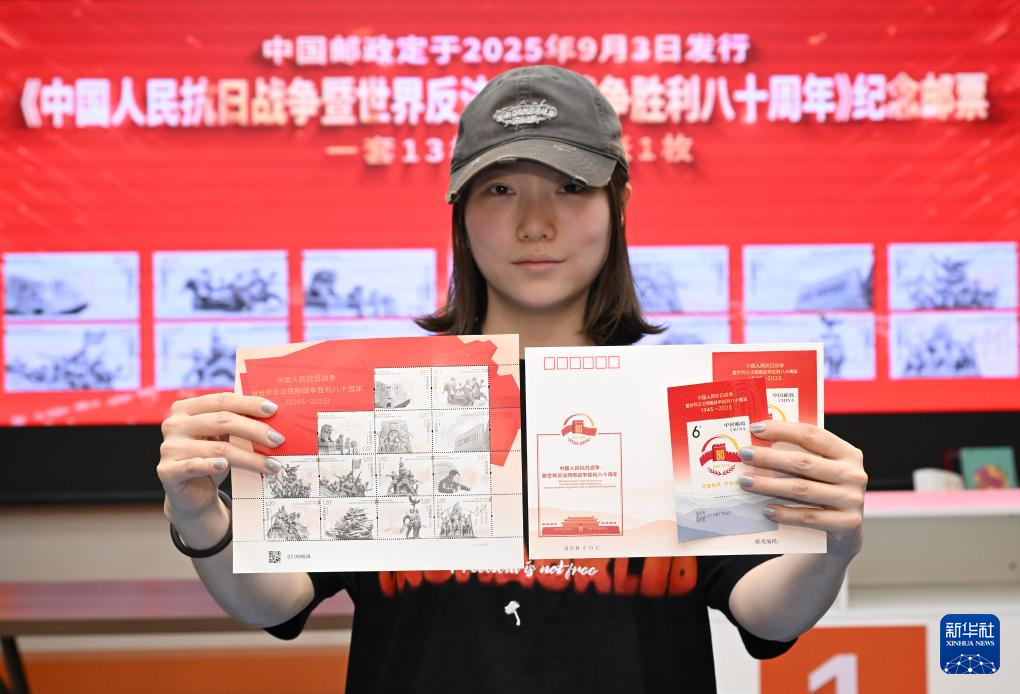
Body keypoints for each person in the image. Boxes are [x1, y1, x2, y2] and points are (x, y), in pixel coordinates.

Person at [157, 65, 867, 692]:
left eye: (571, 187)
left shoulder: (687, 402)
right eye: (499, 189)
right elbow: (277, 598)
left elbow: (765, 612)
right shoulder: (385, 398)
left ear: (618, 205)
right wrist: (200, 517)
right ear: (461, 215)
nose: (535, 224)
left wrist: (831, 546)